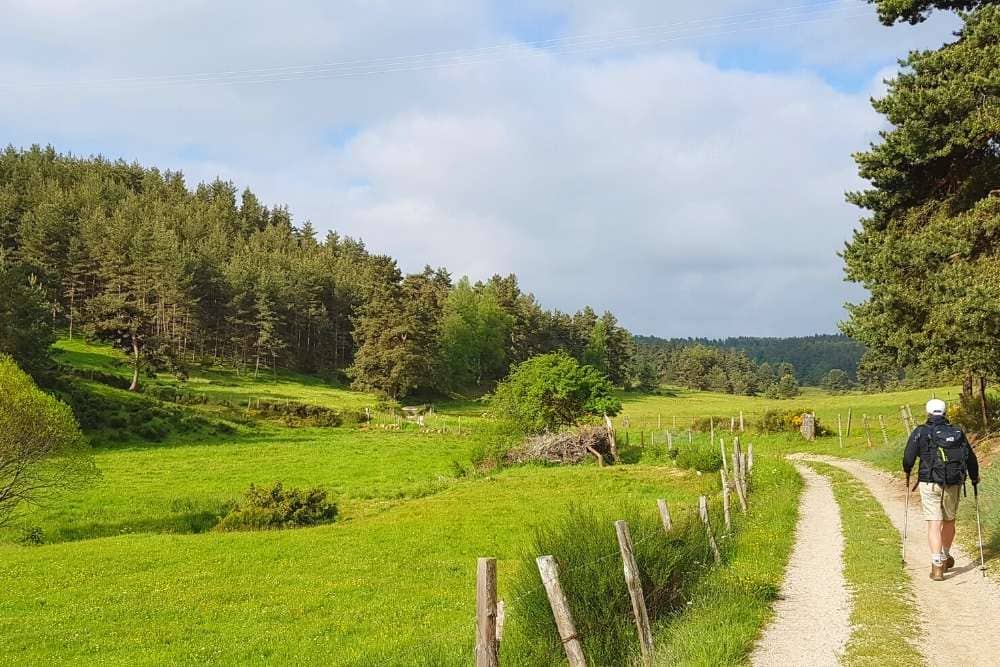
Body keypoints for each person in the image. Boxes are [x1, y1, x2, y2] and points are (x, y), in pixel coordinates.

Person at [903, 398, 980, 581]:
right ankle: (945, 556)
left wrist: (907, 472)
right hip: (953, 482)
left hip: (929, 482)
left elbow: (908, 458)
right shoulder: (957, 431)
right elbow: (970, 458)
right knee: (949, 520)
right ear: (945, 412)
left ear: (927, 412)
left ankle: (937, 565)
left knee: (934, 523)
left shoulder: (920, 432)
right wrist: (974, 477)